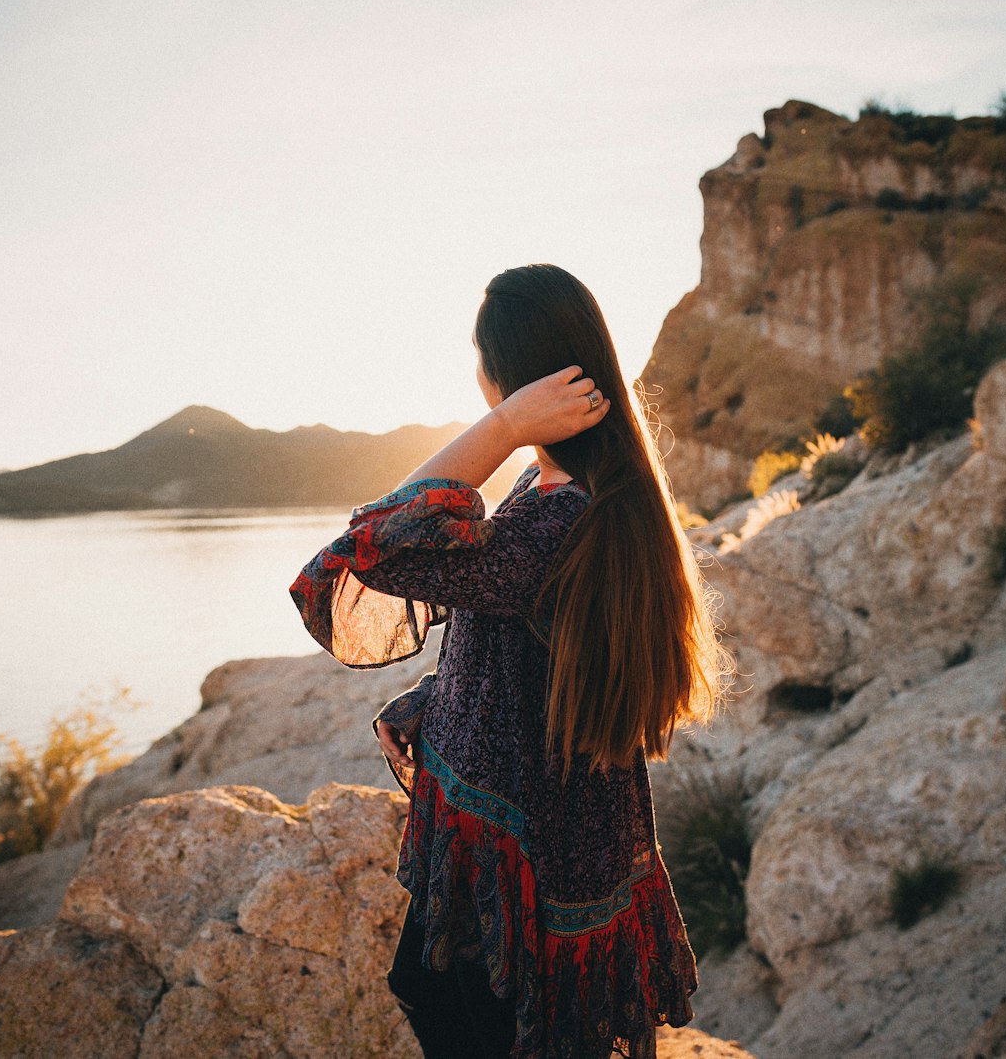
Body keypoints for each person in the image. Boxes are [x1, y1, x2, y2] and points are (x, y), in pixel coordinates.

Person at [289, 263, 733, 1058]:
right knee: (448, 1004)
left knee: (470, 1026)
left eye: (481, 360)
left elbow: (362, 552)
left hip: (525, 859)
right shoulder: (586, 489)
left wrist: (500, 426)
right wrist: (436, 696)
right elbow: (539, 644)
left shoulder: (551, 523)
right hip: (552, 840)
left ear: (510, 375)